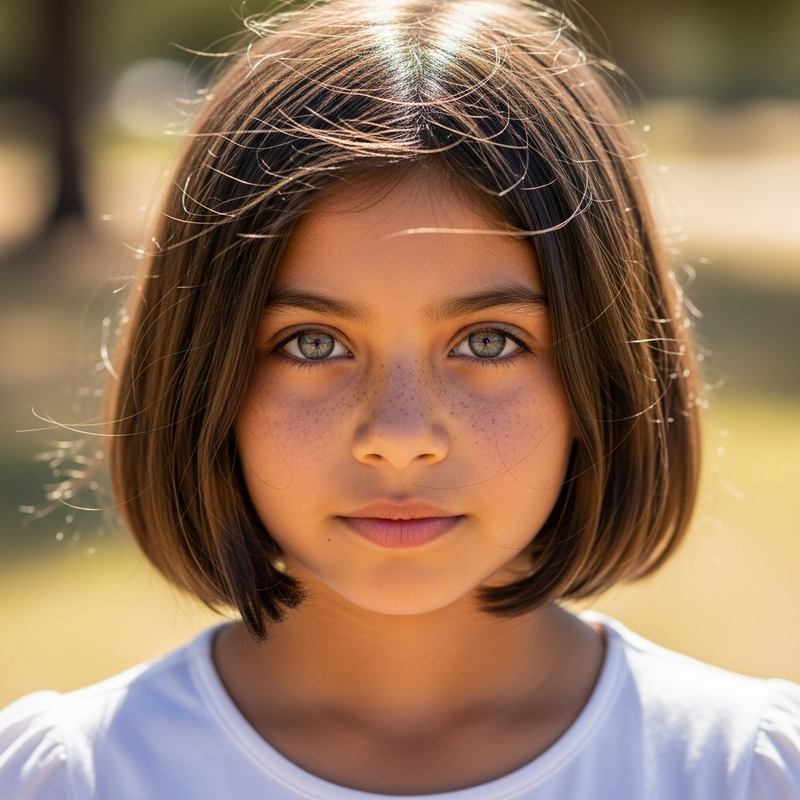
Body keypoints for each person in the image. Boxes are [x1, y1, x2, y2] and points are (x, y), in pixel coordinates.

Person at [1, 0, 798, 797]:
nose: (400, 436)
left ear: (608, 370)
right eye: (313, 343)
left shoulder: (741, 770)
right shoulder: (74, 776)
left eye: (489, 341)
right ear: (202, 374)